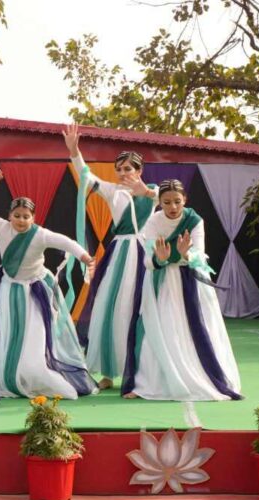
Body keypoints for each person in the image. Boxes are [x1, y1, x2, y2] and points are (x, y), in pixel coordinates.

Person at [0, 170, 98, 399]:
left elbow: (67, 243)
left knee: (36, 334)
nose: (21, 220)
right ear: (9, 215)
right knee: (10, 332)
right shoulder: (2, 228)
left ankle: (37, 371)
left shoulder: (40, 235)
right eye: (17, 215)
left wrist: (86, 258)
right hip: (9, 288)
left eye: (26, 216)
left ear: (33, 218)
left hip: (35, 291)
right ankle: (13, 374)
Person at [124, 179, 242, 401]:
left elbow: (200, 257)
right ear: (159, 202)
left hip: (191, 283)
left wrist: (186, 254)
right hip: (163, 282)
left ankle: (202, 379)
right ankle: (150, 384)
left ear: (185, 200)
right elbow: (148, 262)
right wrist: (160, 259)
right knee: (160, 329)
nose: (173, 207)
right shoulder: (152, 222)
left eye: (177, 201)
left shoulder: (195, 220)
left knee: (196, 328)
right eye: (167, 202)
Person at [63, 123, 158, 391]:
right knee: (110, 308)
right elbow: (85, 175)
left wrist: (146, 192)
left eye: (128, 168)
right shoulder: (111, 191)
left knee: (140, 310)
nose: (123, 173)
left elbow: (172, 198)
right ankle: (108, 372)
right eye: (120, 169)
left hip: (144, 254)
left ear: (139, 171)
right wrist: (74, 151)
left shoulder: (152, 191)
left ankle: (139, 372)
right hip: (119, 255)